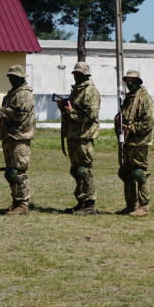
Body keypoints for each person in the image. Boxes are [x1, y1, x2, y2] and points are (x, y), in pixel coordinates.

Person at [57, 62, 101, 215]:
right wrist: (63, 107)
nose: (76, 76)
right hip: (73, 135)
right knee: (76, 170)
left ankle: (89, 204)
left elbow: (90, 116)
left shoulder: (90, 92)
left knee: (84, 170)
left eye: (79, 74)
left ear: (85, 75)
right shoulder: (76, 91)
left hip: (84, 136)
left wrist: (70, 112)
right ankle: (81, 202)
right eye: (75, 74)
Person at [0, 64, 36, 216]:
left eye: (15, 77)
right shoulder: (11, 94)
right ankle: (15, 202)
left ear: (21, 77)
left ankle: (23, 204)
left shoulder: (24, 94)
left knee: (18, 172)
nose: (11, 79)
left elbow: (20, 114)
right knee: (10, 172)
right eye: (10, 76)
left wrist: (2, 112)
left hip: (20, 137)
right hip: (9, 136)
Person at [114, 69, 154, 217]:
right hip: (126, 142)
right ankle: (130, 205)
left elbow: (148, 122)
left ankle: (143, 207)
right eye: (127, 81)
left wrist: (130, 128)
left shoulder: (145, 99)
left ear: (138, 82)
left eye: (132, 80)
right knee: (126, 173)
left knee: (139, 173)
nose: (129, 83)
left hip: (139, 142)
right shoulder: (128, 98)